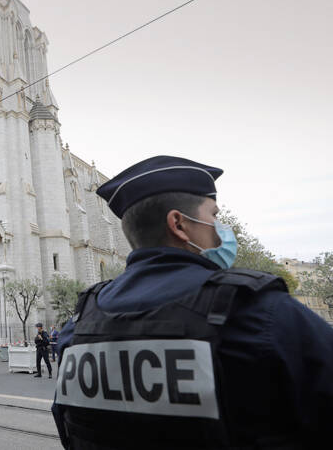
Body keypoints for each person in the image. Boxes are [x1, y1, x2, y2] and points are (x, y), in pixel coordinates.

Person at [52, 155, 333, 449]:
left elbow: (68, 427)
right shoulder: (263, 314)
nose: (221, 227)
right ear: (179, 224)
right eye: (213, 215)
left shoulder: (78, 329)